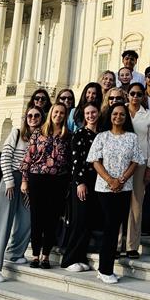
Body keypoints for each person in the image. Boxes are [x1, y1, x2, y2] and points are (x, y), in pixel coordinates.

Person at [0, 105, 43, 283]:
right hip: (11, 180)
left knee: (27, 219)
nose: (33, 118)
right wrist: (9, 181)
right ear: (25, 118)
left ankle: (15, 253)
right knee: (3, 222)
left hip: (28, 182)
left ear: (42, 118)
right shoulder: (17, 133)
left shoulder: (41, 137)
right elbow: (5, 157)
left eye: (37, 115)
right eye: (30, 115)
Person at [87, 101, 145, 283]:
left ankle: (105, 269)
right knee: (110, 227)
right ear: (110, 116)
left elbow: (135, 161)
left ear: (126, 117)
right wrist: (110, 180)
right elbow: (95, 161)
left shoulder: (132, 137)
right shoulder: (102, 136)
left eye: (121, 114)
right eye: (115, 114)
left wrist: (122, 180)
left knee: (115, 226)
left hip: (124, 188)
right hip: (105, 188)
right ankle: (105, 270)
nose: (118, 117)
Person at [20, 102, 71, 268]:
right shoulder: (38, 132)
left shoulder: (67, 135)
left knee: (52, 219)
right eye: (56, 112)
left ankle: (46, 256)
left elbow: (69, 162)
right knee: (37, 218)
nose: (58, 115)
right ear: (51, 113)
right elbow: (28, 157)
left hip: (58, 181)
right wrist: (24, 180)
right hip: (37, 178)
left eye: (62, 113)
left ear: (65, 115)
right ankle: (35, 255)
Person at [61, 103, 100, 272]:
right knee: (79, 220)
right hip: (82, 182)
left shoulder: (101, 134)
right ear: (84, 116)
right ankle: (69, 259)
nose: (91, 115)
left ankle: (80, 256)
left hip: (97, 182)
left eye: (93, 112)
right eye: (88, 113)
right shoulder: (80, 133)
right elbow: (76, 161)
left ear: (98, 113)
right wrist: (80, 182)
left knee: (88, 221)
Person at [124, 82, 150, 258]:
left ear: (143, 96)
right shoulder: (120, 111)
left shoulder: (148, 115)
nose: (135, 97)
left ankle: (132, 246)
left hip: (140, 162)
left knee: (136, 205)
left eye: (138, 94)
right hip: (120, 163)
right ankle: (116, 244)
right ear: (127, 95)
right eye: (132, 93)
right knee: (118, 204)